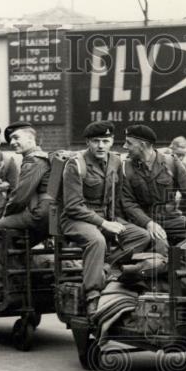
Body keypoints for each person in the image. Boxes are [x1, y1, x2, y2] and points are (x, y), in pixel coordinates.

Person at [59, 121, 151, 312]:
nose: (101, 146)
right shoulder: (75, 164)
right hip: (76, 219)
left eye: (105, 141)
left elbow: (117, 198)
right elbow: (73, 206)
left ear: (112, 141)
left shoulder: (116, 161)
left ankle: (106, 268)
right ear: (87, 142)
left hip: (106, 217)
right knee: (97, 240)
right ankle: (92, 294)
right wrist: (104, 223)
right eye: (96, 141)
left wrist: (118, 221)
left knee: (141, 236)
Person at [0, 122, 52, 299]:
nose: (13, 142)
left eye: (16, 137)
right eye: (10, 139)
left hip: (41, 215)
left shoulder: (33, 160)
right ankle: (23, 281)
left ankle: (2, 285)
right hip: (51, 216)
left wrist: (4, 215)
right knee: (18, 242)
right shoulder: (43, 157)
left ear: (31, 138)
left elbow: (20, 196)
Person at [119, 123, 186, 254]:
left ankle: (178, 258)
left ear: (142, 145)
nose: (125, 146)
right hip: (144, 221)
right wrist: (148, 223)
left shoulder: (171, 162)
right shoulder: (126, 168)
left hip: (172, 218)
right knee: (160, 246)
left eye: (129, 143)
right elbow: (128, 203)